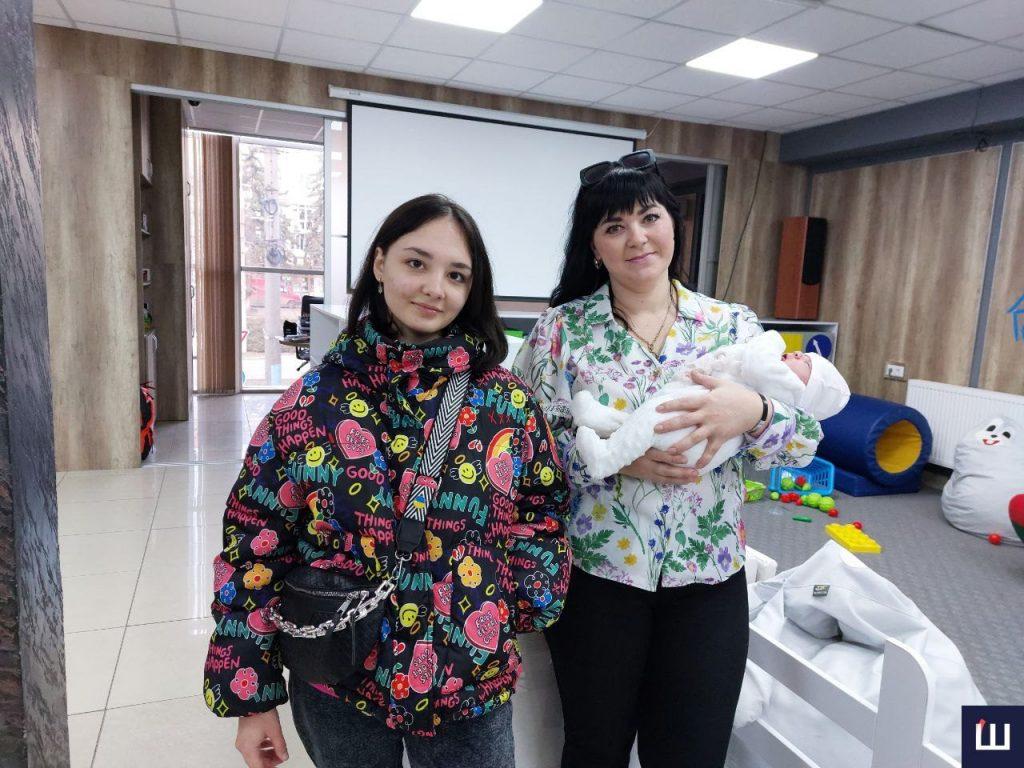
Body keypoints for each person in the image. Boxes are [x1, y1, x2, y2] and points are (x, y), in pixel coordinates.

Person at [202, 194, 571, 768]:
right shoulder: (312, 403)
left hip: (469, 686)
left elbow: (541, 513)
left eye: (456, 275)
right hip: (339, 682)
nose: (434, 288)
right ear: (379, 263)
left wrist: (511, 607)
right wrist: (253, 700)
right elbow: (253, 544)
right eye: (416, 263)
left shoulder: (506, 403)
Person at [513, 150, 824, 768]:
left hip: (708, 579)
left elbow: (804, 441)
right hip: (598, 577)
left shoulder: (733, 327)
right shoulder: (560, 333)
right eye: (614, 226)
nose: (637, 238)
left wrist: (754, 412)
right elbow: (522, 448)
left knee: (692, 753)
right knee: (594, 749)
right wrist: (611, 461)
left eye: (649, 217)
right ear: (593, 245)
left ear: (674, 226)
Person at [571, 330, 850, 479]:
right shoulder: (567, 326)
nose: (798, 353)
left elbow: (803, 449)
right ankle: (604, 422)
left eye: (807, 362)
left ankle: (607, 457)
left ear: (807, 390)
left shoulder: (783, 382)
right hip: (605, 537)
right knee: (648, 420)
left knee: (657, 417)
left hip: (696, 454)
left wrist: (757, 411)